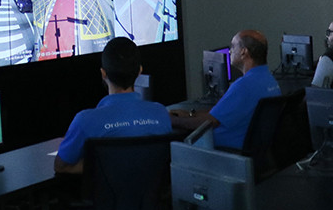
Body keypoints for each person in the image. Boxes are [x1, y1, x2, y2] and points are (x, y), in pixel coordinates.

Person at [54, 37, 171, 173]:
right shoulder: (161, 113)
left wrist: (104, 163)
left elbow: (60, 166)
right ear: (139, 71)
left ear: (103, 73)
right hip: (152, 187)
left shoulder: (85, 120)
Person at [170, 30, 279, 150]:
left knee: (174, 148)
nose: (230, 51)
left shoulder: (243, 86)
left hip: (224, 152)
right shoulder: (269, 80)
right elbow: (218, 114)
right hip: (255, 151)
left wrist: (173, 120)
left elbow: (210, 122)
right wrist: (190, 114)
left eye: (233, 46)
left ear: (243, 52)